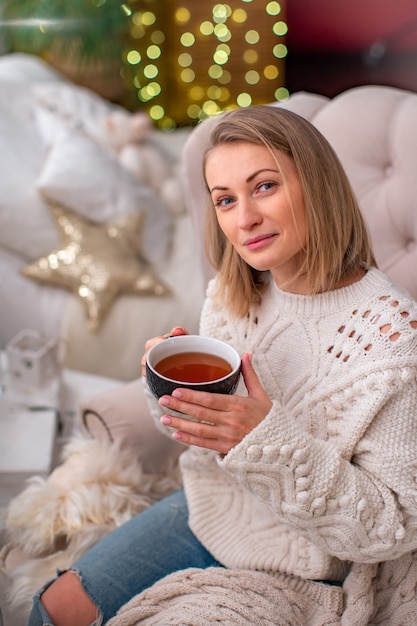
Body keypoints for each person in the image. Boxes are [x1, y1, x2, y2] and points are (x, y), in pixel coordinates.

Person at [28, 105, 417, 626]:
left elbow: (392, 527)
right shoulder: (234, 294)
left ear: (318, 185)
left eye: (264, 187)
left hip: (305, 564)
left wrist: (265, 441)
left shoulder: (391, 338)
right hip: (212, 510)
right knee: (50, 612)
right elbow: (205, 435)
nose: (244, 219)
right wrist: (164, 385)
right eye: (225, 200)